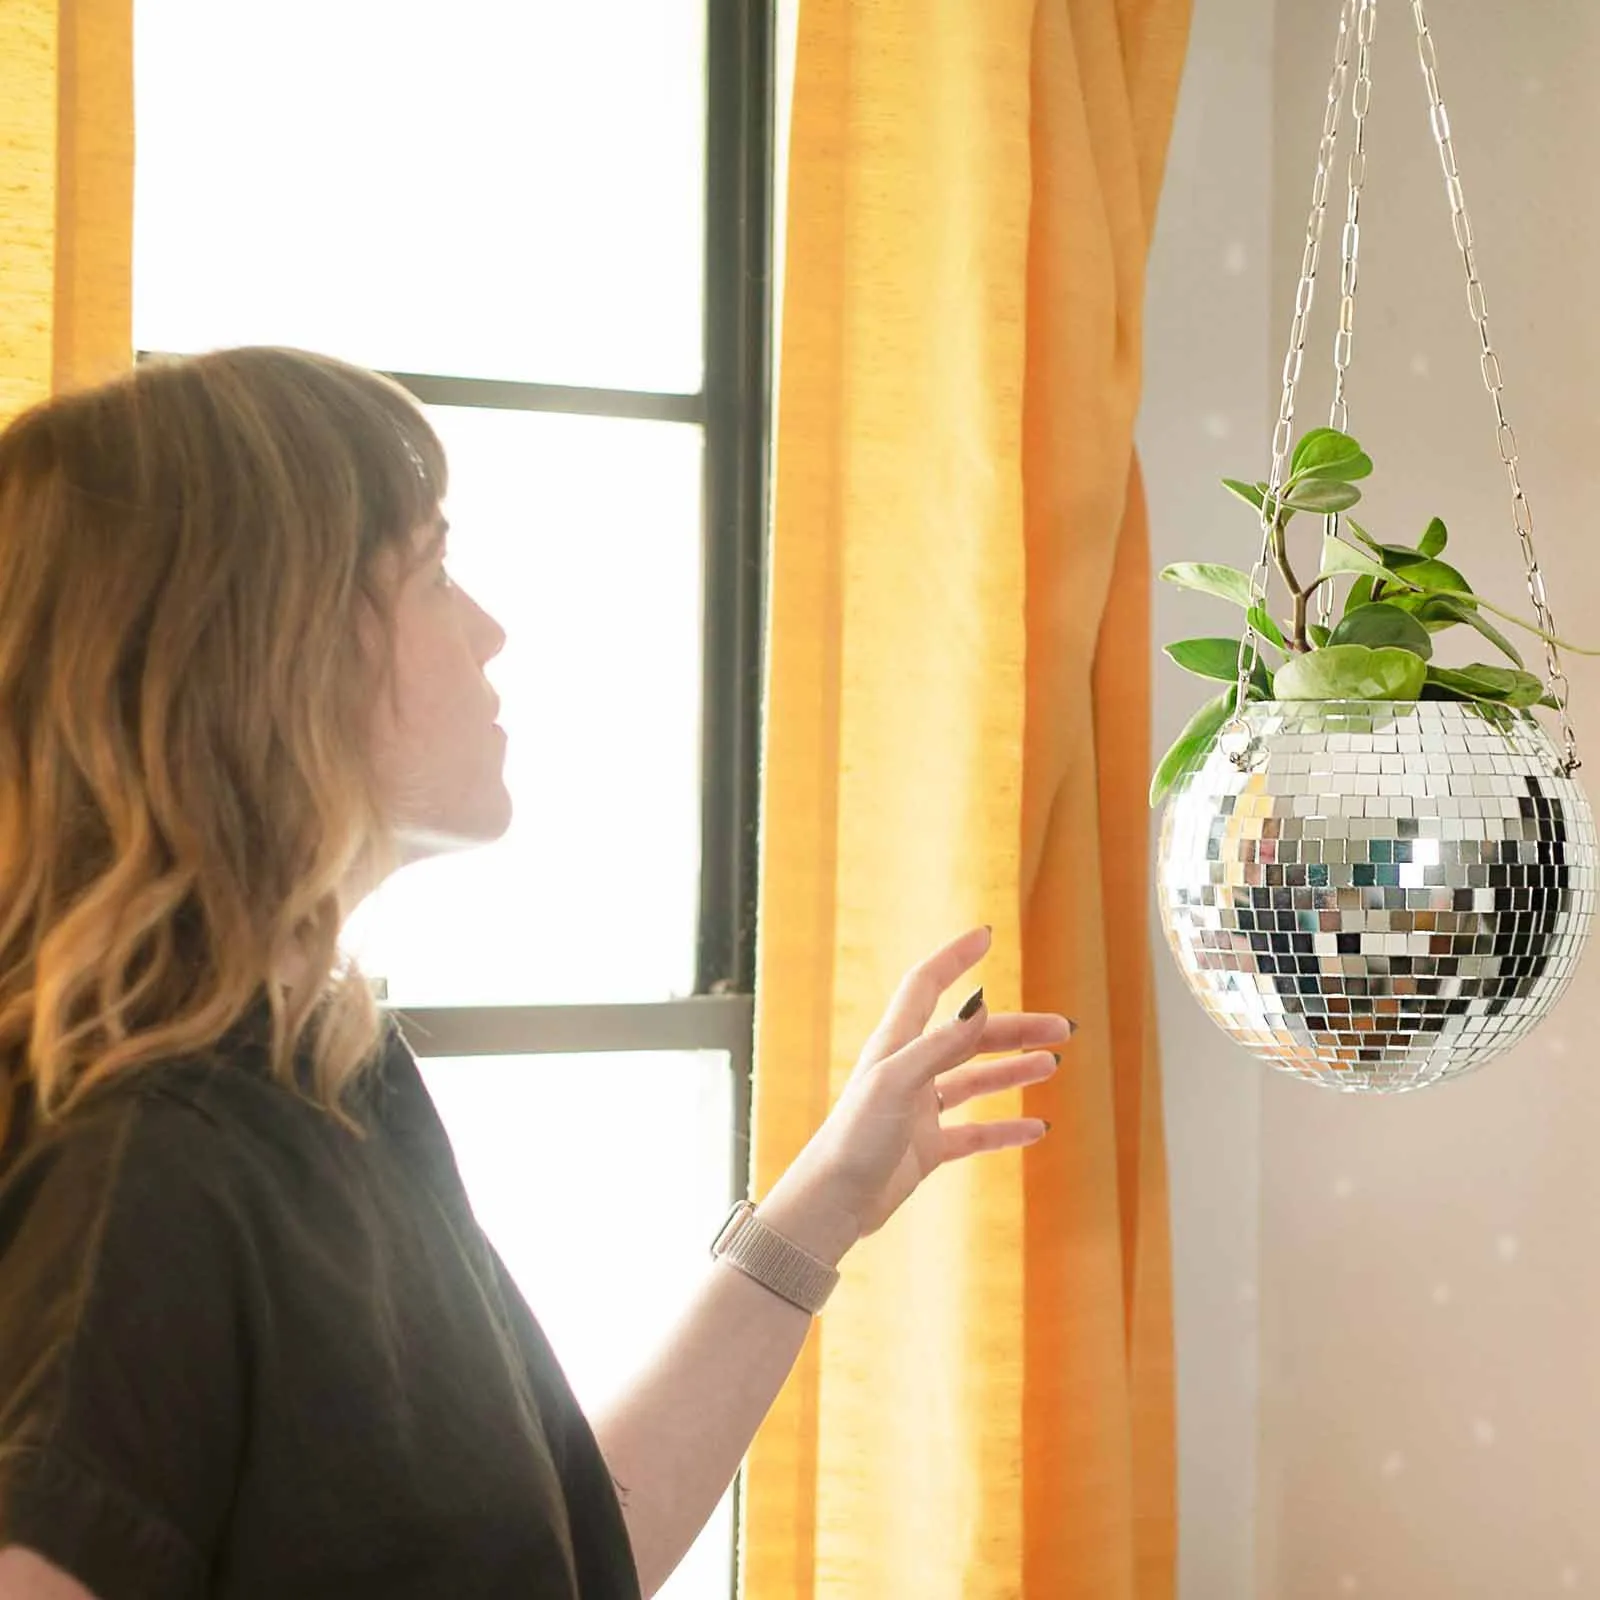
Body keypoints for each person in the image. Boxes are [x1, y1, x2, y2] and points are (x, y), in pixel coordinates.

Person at [0, 348, 1070, 1600]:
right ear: (267, 654)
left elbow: (561, 1554)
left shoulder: (335, 1081)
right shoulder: (139, 1166)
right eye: (431, 574)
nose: (489, 630)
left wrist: (822, 1205)